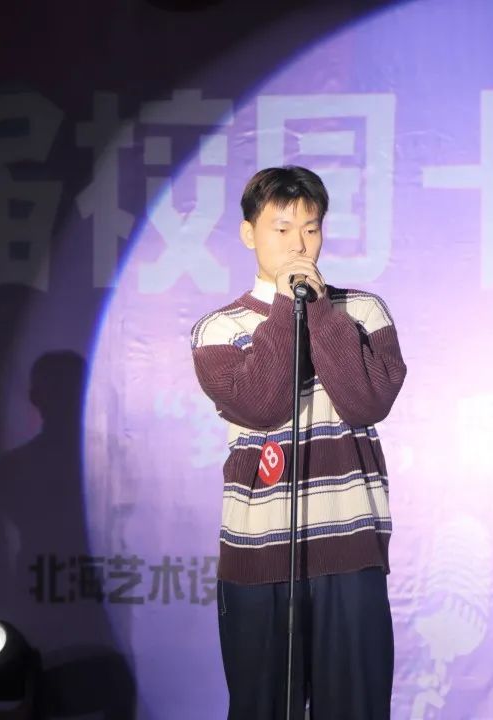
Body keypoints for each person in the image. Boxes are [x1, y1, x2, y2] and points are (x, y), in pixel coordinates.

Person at [190, 166, 407, 719]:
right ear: (249, 234)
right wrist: (288, 310)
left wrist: (318, 310)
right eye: (281, 228)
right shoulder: (218, 329)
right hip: (259, 554)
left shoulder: (362, 312)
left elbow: (366, 401)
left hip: (350, 545)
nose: (298, 244)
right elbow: (262, 405)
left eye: (310, 229)